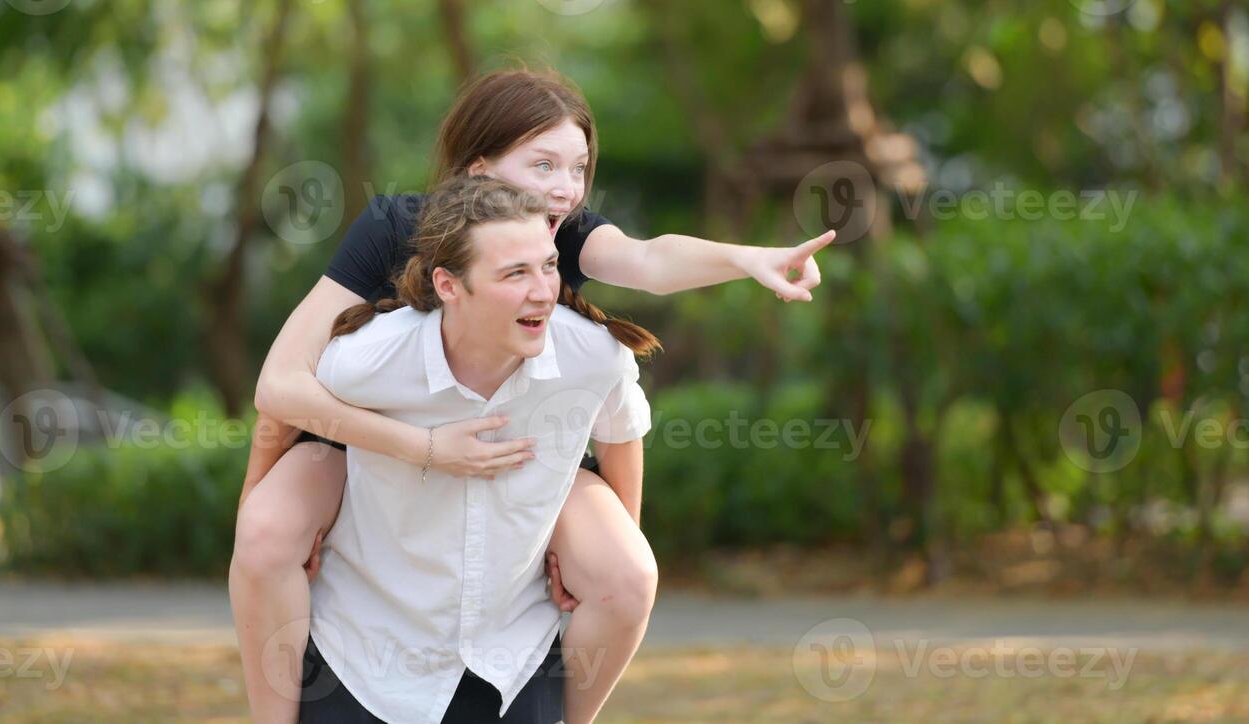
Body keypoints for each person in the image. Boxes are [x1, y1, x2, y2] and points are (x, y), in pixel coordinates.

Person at [231, 67, 836, 723]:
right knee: (265, 533)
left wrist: (748, 259)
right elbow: (280, 387)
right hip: (364, 436)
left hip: (523, 442)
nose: (564, 189)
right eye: (543, 164)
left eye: (578, 168)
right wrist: (412, 451)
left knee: (623, 570)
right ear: (479, 169)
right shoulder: (392, 227)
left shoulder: (564, 233)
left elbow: (650, 263)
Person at [299, 175, 653, 723]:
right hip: (365, 660)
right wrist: (268, 525)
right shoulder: (364, 360)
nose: (543, 291)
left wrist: (605, 562)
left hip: (511, 656)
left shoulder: (592, 357)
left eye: (548, 266)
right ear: (448, 286)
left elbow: (622, 437)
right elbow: (284, 407)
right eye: (515, 273)